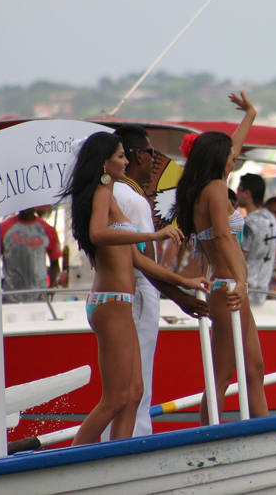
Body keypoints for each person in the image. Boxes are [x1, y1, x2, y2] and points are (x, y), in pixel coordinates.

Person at [59, 131, 209, 446]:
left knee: (134, 394)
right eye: (120, 156)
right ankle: (69, 463)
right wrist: (154, 236)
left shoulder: (108, 194)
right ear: (104, 162)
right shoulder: (101, 191)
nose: (126, 161)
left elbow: (137, 260)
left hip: (119, 302)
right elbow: (98, 234)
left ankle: (117, 459)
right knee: (116, 398)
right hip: (111, 303)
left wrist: (183, 282)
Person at [106, 124, 210, 439]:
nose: (155, 160)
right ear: (138, 155)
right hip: (137, 295)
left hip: (111, 295)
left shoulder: (104, 194)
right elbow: (145, 261)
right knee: (137, 386)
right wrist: (182, 295)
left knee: (118, 385)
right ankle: (132, 447)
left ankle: (107, 449)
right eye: (152, 153)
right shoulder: (133, 201)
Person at [174, 91, 269, 425]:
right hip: (228, 287)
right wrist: (243, 281)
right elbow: (224, 236)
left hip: (229, 286)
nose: (235, 157)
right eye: (230, 156)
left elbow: (235, 145)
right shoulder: (215, 188)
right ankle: (207, 438)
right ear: (218, 160)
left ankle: (264, 434)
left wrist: (251, 114)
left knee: (254, 370)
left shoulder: (212, 184)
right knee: (222, 377)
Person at [0, 207, 62, 303]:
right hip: (11, 297)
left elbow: (54, 262)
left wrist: (53, 285)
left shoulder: (48, 230)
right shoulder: (3, 228)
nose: (26, 207)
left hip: (40, 296)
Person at [236, 173, 276, 305]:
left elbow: (239, 259)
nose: (237, 194)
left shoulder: (248, 223)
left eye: (239, 190)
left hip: (245, 293)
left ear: (247, 193)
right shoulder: (271, 219)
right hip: (262, 292)